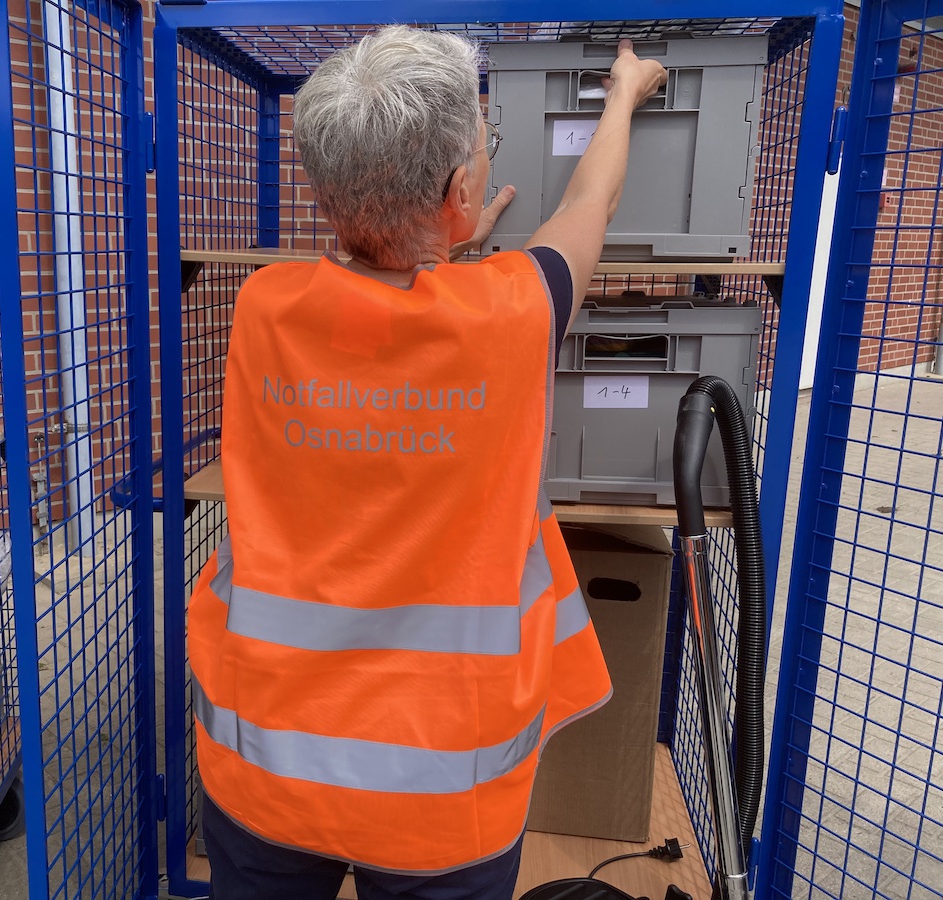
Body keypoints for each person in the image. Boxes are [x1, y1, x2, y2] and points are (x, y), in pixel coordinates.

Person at [186, 26, 668, 900]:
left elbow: (374, 321)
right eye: (484, 143)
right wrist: (626, 90)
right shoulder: (515, 309)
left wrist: (439, 241)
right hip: (440, 792)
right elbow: (588, 205)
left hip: (262, 759)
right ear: (460, 191)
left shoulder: (262, 305)